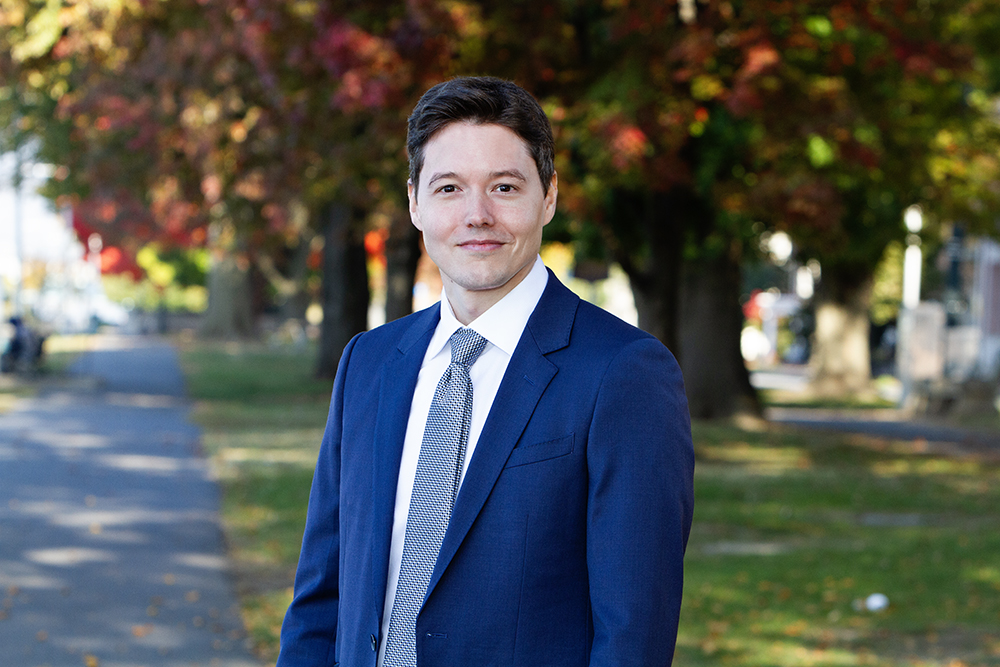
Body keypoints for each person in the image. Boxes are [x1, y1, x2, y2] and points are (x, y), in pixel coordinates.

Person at [277, 76, 694, 667]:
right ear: (415, 203)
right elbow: (321, 597)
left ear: (548, 197)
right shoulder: (368, 362)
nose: (477, 215)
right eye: (449, 188)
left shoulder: (623, 373)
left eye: (504, 187)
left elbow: (634, 636)